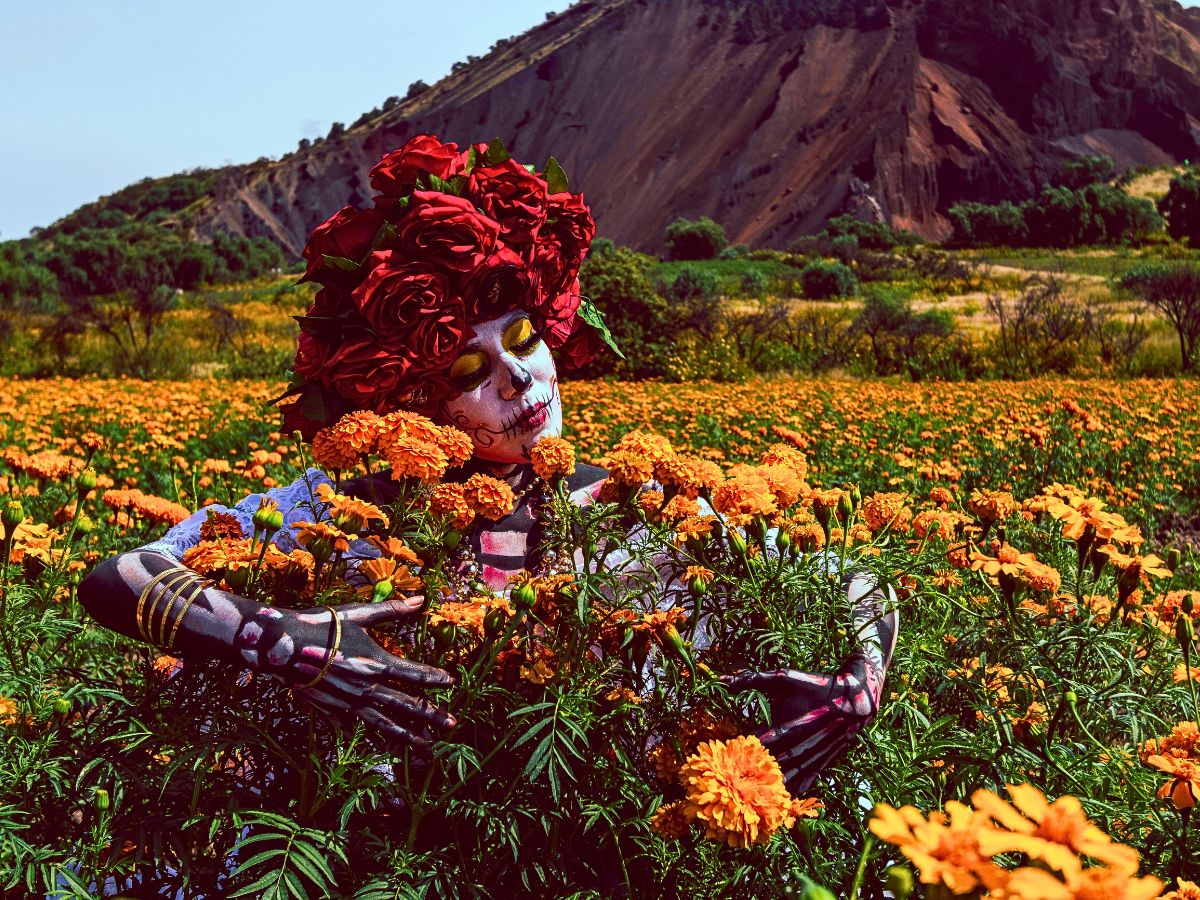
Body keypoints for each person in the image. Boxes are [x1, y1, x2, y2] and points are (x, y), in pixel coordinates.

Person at [78, 133, 897, 792]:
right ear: (411, 403)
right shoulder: (346, 515)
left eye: (524, 339)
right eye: (467, 373)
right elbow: (119, 577)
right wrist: (288, 642)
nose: (517, 378)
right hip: (379, 852)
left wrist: (861, 678)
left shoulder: (643, 508)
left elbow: (852, 581)